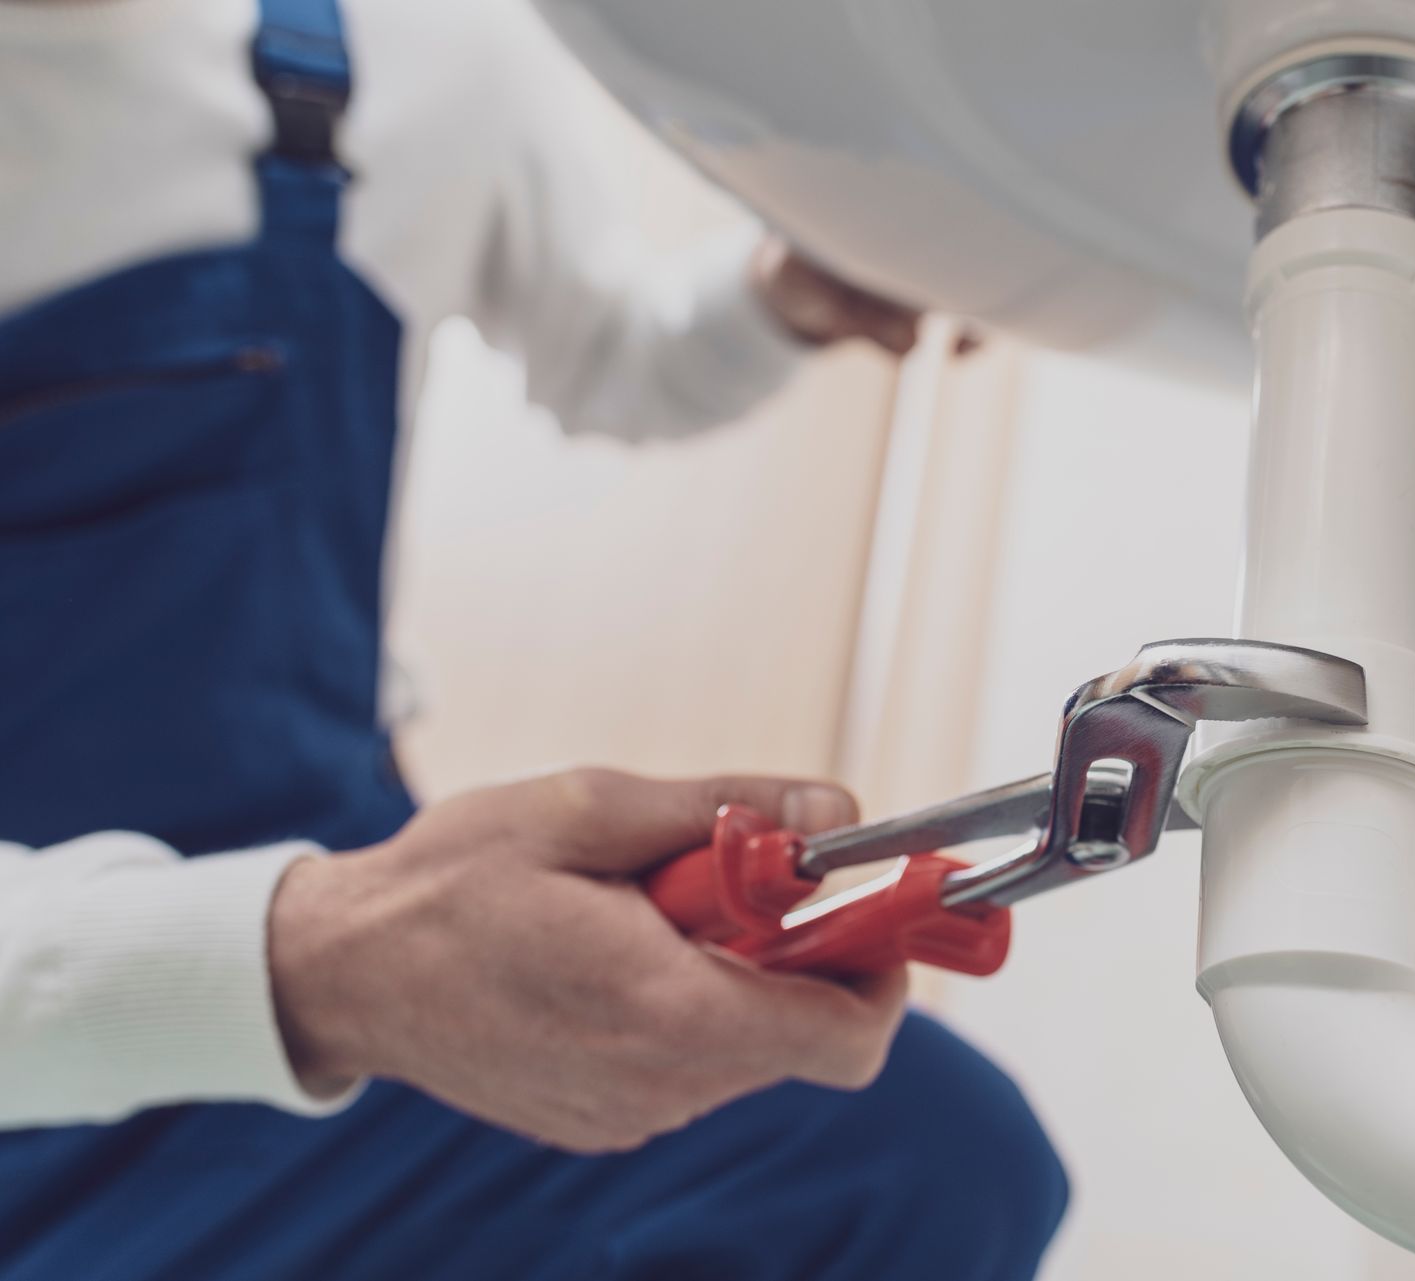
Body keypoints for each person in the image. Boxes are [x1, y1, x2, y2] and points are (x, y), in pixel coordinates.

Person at [0, 0, 1068, 1276]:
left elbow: (612, 354)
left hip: (329, 924)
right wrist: (314, 959)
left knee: (922, 1166)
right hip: (99, 1013)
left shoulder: (412, 61)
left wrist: (778, 299)